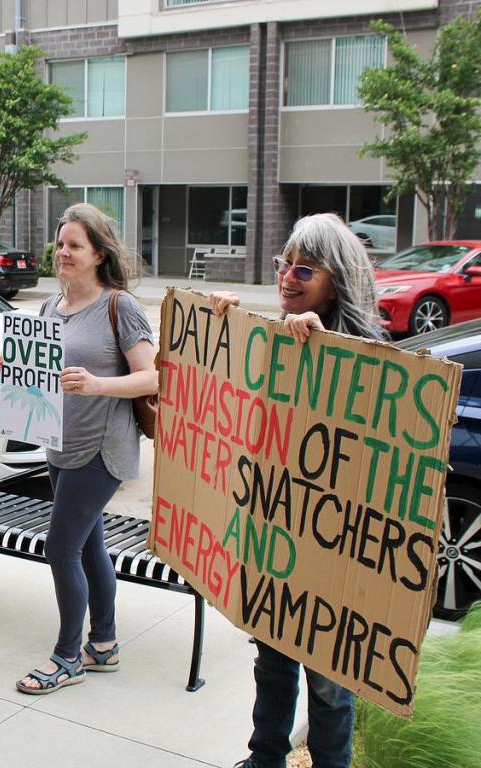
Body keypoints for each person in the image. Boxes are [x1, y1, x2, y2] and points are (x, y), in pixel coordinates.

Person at [209, 212, 383, 768]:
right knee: (273, 662)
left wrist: (325, 349)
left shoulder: (370, 355)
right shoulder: (279, 336)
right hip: (277, 536)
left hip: (337, 556)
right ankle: (265, 759)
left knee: (331, 684)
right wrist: (224, 334)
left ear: (339, 279)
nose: (287, 277)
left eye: (304, 269)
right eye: (284, 265)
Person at [0, 202, 158, 694]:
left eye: (74, 246)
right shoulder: (49, 307)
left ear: (99, 254)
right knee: (88, 545)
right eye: (60, 244)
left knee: (60, 547)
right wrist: (10, 368)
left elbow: (151, 375)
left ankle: (67, 656)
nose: (63, 252)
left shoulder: (117, 305)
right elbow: (40, 382)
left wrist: (98, 384)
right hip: (59, 443)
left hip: (102, 449)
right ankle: (103, 644)